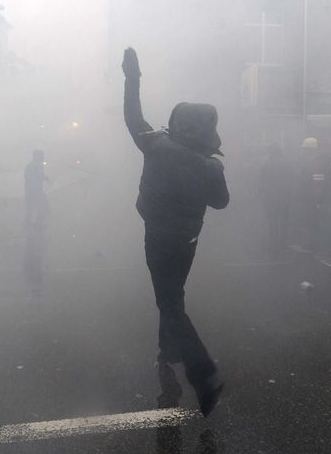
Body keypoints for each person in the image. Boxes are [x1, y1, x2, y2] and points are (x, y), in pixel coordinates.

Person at [122, 47, 229, 418]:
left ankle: (204, 374)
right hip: (187, 241)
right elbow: (221, 203)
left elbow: (133, 118)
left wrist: (132, 79)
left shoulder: (155, 145)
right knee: (173, 295)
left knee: (168, 303)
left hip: (157, 236)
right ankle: (167, 353)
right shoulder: (210, 166)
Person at [296, 137, 331, 253]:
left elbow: (317, 181)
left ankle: (314, 244)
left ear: (311, 150)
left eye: (306, 149)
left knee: (314, 221)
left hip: (318, 198)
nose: (304, 152)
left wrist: (317, 200)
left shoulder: (317, 162)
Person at [259, 143, 294, 257]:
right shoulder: (288, 164)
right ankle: (282, 244)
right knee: (284, 222)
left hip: (270, 198)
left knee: (272, 222)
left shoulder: (267, 165)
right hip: (284, 198)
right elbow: (292, 180)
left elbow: (262, 182)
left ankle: (273, 244)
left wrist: (263, 195)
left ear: (271, 153)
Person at [24, 149, 49, 224]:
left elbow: (27, 177)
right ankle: (37, 223)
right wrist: (47, 179)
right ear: (37, 156)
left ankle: (29, 221)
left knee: (31, 206)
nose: (43, 157)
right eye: (41, 155)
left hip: (31, 189)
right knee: (38, 205)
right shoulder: (36, 165)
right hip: (35, 189)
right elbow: (40, 175)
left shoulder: (30, 165)